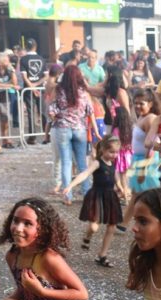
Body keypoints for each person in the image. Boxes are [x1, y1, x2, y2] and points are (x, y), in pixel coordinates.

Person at [63, 135, 123, 268]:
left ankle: (102, 255)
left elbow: (116, 176)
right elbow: (84, 174)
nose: (114, 155)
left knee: (112, 226)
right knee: (93, 227)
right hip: (98, 195)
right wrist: (71, 185)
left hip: (110, 196)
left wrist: (121, 188)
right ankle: (87, 236)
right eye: (111, 152)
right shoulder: (97, 163)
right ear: (103, 150)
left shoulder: (113, 163)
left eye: (116, 152)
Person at [48, 65, 99, 204]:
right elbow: (90, 112)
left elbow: (51, 110)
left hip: (62, 128)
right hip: (80, 129)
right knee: (82, 163)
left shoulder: (58, 90)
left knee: (66, 162)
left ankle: (67, 196)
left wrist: (57, 119)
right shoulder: (84, 92)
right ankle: (87, 193)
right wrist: (96, 131)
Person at [122, 88, 161, 231]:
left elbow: (152, 146)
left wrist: (144, 168)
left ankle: (156, 222)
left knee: (148, 194)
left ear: (150, 104)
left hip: (146, 160)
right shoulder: (142, 117)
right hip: (138, 159)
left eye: (141, 103)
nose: (138, 106)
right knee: (137, 193)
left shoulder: (150, 119)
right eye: (136, 103)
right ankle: (124, 224)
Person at [19, 38, 46, 144]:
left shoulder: (23, 59)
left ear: (26, 47)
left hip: (28, 89)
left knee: (31, 113)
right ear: (36, 47)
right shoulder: (41, 59)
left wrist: (32, 87)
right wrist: (36, 85)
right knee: (42, 112)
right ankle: (46, 135)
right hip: (40, 88)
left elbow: (24, 77)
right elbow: (46, 76)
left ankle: (32, 137)